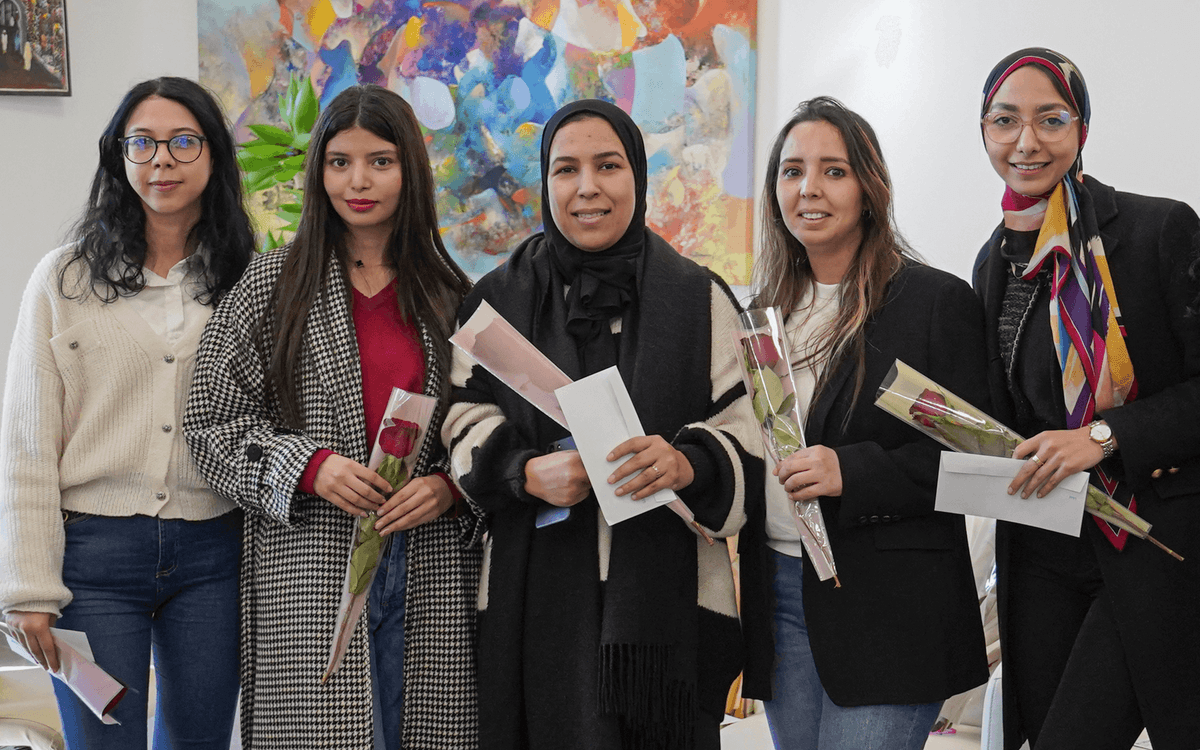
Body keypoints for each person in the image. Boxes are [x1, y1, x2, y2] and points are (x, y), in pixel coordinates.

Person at [441, 98, 761, 750]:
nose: (587, 187)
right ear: (546, 181)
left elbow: (750, 430)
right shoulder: (496, 301)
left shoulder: (701, 298)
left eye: (608, 165)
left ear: (637, 177)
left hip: (667, 619)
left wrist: (688, 463)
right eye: (566, 169)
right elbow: (459, 417)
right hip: (535, 603)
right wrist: (522, 471)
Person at [182, 84, 482, 750]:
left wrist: (450, 487)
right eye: (339, 161)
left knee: (426, 728)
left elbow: (490, 426)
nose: (359, 181)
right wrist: (311, 467)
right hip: (308, 556)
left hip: (427, 560)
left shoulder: (451, 292)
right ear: (319, 172)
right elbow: (211, 425)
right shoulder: (271, 284)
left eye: (380, 160)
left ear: (409, 169)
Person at [0, 76, 254, 748]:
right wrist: (28, 588)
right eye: (141, 143)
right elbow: (27, 442)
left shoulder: (249, 280)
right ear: (118, 155)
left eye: (181, 142)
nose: (160, 160)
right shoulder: (65, 279)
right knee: (103, 740)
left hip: (213, 554)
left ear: (212, 155)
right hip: (93, 562)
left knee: (198, 741)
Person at [737, 96, 990, 750]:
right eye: (792, 171)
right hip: (780, 598)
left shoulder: (936, 304)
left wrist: (851, 470)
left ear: (870, 188)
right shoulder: (759, 315)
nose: (809, 189)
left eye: (833, 170)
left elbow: (982, 471)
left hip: (893, 611)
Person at [973, 48, 1200, 750]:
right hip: (1043, 544)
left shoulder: (1157, 230)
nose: (1026, 141)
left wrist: (1103, 436)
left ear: (1082, 130)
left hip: (1147, 538)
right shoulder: (994, 264)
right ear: (984, 132)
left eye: (1051, 119)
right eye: (1005, 121)